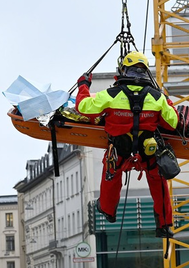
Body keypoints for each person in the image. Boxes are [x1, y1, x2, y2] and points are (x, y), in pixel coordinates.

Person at [75, 51, 179, 238]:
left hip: (120, 149)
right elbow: (172, 123)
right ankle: (164, 225)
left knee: (111, 173)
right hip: (148, 150)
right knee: (159, 182)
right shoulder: (157, 97)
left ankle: (108, 210)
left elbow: (83, 108)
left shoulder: (110, 94)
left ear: (123, 70)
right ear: (146, 72)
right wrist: (167, 100)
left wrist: (83, 85)